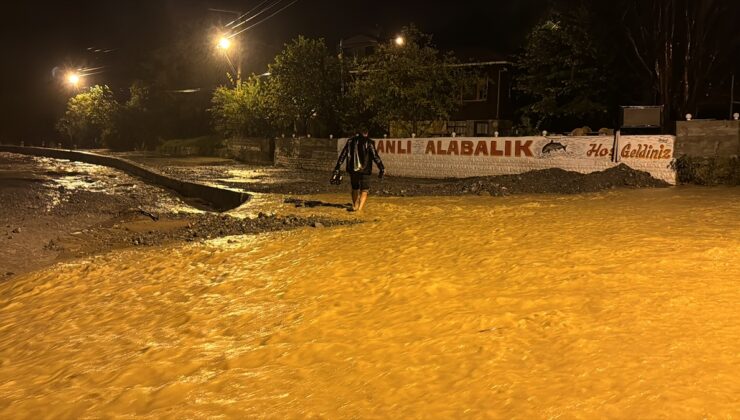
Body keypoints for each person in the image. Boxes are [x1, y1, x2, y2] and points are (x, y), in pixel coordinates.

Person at [332, 129, 385, 211]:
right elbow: (375, 156)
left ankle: (355, 206)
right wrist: (381, 168)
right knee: (364, 190)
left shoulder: (350, 141)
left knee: (355, 188)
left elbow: (343, 154)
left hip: (353, 170)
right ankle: (359, 209)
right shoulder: (369, 142)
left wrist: (337, 167)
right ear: (367, 133)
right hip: (365, 170)